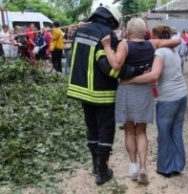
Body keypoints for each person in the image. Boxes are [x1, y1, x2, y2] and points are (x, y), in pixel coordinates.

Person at [101, 18, 180, 185]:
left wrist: (107, 46)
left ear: (128, 32)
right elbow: (177, 40)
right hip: (144, 90)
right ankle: (144, 166)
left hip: (127, 89)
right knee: (141, 131)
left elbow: (116, 64)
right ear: (145, 32)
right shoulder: (152, 44)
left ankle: (134, 167)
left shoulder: (125, 44)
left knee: (129, 131)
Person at [122, 24, 187, 178]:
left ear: (155, 37)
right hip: (182, 95)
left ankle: (165, 168)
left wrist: (130, 80)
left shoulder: (159, 52)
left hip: (168, 98)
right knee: (176, 131)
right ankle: (177, 165)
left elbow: (154, 75)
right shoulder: (173, 51)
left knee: (164, 133)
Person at [67, 5, 122, 186]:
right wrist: (127, 72)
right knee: (106, 131)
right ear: (112, 20)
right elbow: (108, 67)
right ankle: (102, 172)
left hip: (81, 91)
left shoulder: (79, 32)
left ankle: (94, 165)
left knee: (92, 129)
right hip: (102, 93)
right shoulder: (107, 34)